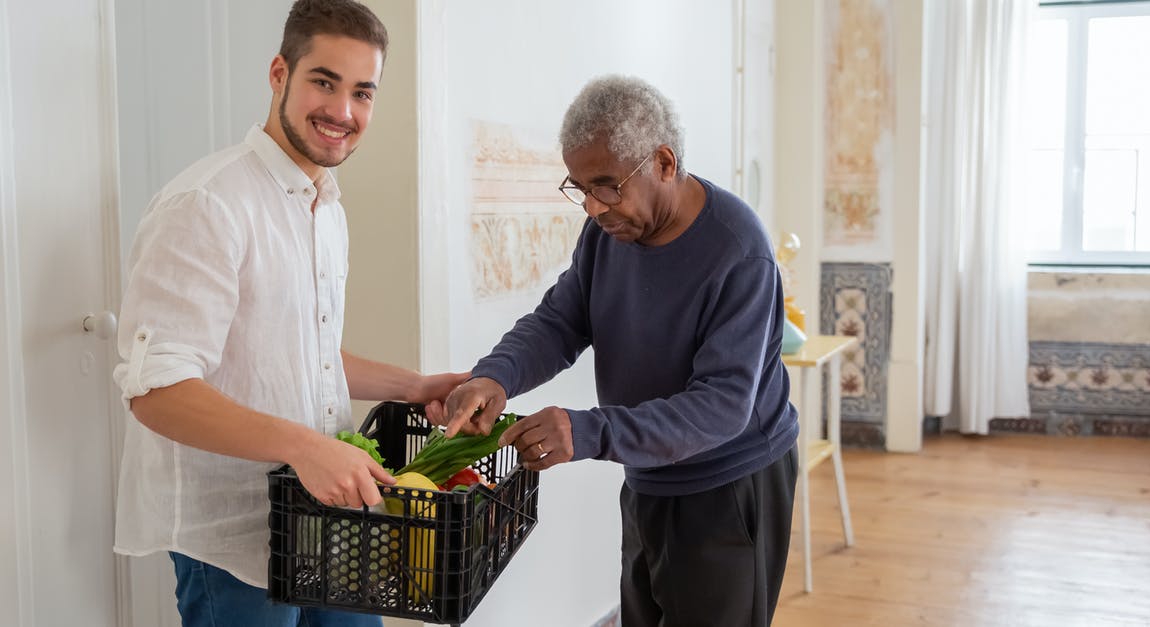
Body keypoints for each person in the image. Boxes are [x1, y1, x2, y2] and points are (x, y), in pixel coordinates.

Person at [111, 1, 465, 625]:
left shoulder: (324, 204)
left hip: (328, 516)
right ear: (279, 74)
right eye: (324, 82)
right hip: (233, 537)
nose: (343, 112)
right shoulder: (208, 204)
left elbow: (303, 348)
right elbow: (155, 391)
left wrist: (415, 385)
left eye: (363, 92)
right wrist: (305, 447)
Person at [437, 75, 800, 627]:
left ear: (664, 163)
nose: (591, 206)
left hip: (729, 488)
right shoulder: (608, 233)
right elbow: (560, 321)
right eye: (578, 187)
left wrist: (587, 432)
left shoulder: (739, 252)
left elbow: (724, 405)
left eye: (606, 185)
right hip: (649, 473)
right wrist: (496, 376)